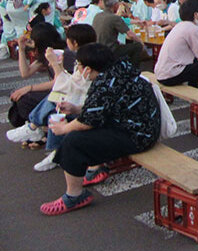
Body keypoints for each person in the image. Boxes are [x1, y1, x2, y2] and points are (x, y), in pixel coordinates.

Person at [40, 43, 160, 216]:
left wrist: (63, 128)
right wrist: (75, 109)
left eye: (78, 66)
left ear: (88, 69)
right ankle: (94, 169)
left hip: (138, 135)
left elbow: (88, 122)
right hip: (139, 126)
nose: (78, 69)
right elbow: (102, 109)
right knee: (78, 127)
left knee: (73, 140)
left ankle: (74, 196)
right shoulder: (119, 70)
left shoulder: (106, 83)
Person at [7, 24, 97, 172]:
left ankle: (36, 129)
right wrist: (22, 49)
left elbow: (68, 84)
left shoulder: (73, 56)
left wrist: (55, 65)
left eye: (32, 39)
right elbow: (25, 73)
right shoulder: (73, 55)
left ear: (74, 42)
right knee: (49, 102)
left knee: (54, 99)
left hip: (82, 100)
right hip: (78, 97)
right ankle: (51, 147)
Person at [6, 23, 66, 130]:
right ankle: (36, 126)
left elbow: (59, 81)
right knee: (19, 97)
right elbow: (25, 73)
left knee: (24, 99)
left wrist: (29, 88)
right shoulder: (46, 54)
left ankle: (38, 128)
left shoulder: (60, 53)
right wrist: (21, 49)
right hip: (56, 90)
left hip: (63, 92)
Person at [155, 0, 198, 92]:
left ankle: (194, 90)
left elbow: (195, 48)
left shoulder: (181, 25)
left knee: (194, 63)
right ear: (196, 14)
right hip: (170, 75)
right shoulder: (193, 28)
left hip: (162, 73)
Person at [91, 0, 146, 66]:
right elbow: (130, 35)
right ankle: (133, 70)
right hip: (110, 50)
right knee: (137, 46)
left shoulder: (97, 15)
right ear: (115, 5)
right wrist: (141, 42)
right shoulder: (114, 18)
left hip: (97, 49)